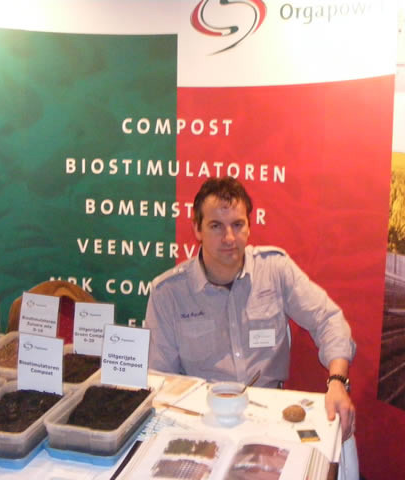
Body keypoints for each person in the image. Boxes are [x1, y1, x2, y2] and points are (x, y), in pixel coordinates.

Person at [145, 176, 356, 439]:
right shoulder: (168, 293)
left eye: (237, 225)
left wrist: (337, 382)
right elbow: (159, 380)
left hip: (270, 415)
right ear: (197, 229)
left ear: (249, 227)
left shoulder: (275, 269)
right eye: (216, 226)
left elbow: (328, 320)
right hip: (201, 420)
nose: (229, 238)